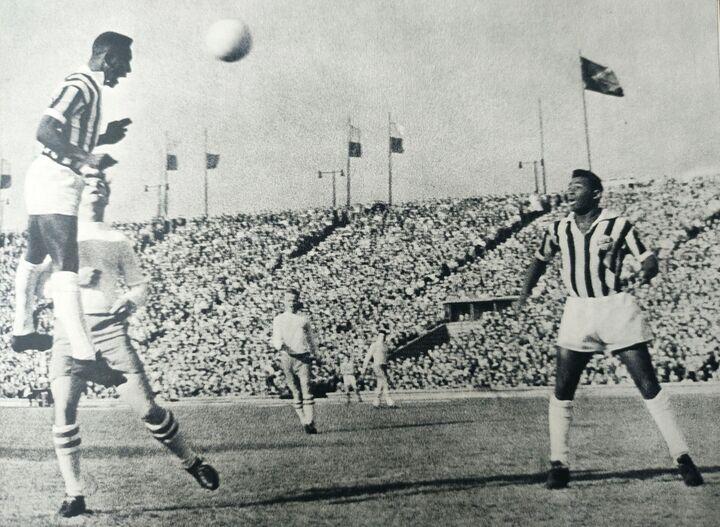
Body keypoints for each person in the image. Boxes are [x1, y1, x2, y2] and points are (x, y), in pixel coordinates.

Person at [517, 169, 703, 489]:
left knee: (648, 384)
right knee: (563, 388)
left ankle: (683, 458)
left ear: (596, 194)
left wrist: (647, 269)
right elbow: (539, 261)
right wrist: (522, 296)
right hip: (577, 310)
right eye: (569, 187)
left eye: (577, 187)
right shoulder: (558, 228)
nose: (570, 192)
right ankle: (559, 464)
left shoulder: (619, 224)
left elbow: (647, 257)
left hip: (615, 307)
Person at [47, 179, 219, 518]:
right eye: (89, 183)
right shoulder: (60, 231)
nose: (95, 187)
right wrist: (72, 280)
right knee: (63, 413)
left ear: (108, 195)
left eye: (101, 184)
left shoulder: (117, 239)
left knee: (147, 409)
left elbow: (141, 285)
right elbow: (39, 287)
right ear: (79, 193)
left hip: (109, 331)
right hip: (68, 330)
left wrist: (130, 299)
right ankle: (74, 494)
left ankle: (191, 461)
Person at [12, 31, 134, 386]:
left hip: (47, 175)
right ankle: (84, 357)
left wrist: (101, 136)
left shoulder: (88, 89)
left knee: (34, 257)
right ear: (108, 57)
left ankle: (23, 330)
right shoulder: (82, 84)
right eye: (124, 62)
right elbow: (45, 130)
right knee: (66, 268)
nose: (126, 71)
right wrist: (86, 156)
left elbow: (65, 132)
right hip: (56, 177)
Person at [271, 288, 319, 434]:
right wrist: (280, 345)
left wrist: (316, 354)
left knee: (307, 388)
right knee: (296, 392)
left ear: (298, 301)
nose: (291, 303)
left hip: (303, 357)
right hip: (287, 357)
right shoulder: (278, 319)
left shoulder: (303, 319)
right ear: (284, 301)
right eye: (289, 300)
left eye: (294, 300)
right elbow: (276, 338)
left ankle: (310, 421)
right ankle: (304, 421)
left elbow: (311, 338)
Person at [361, 327, 395, 408]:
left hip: (383, 366)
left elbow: (385, 358)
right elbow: (368, 356)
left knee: (380, 384)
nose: (382, 338)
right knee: (384, 382)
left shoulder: (385, 346)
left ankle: (376, 402)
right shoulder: (374, 345)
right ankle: (389, 400)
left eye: (383, 336)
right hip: (377, 365)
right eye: (380, 336)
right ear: (378, 336)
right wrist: (364, 367)